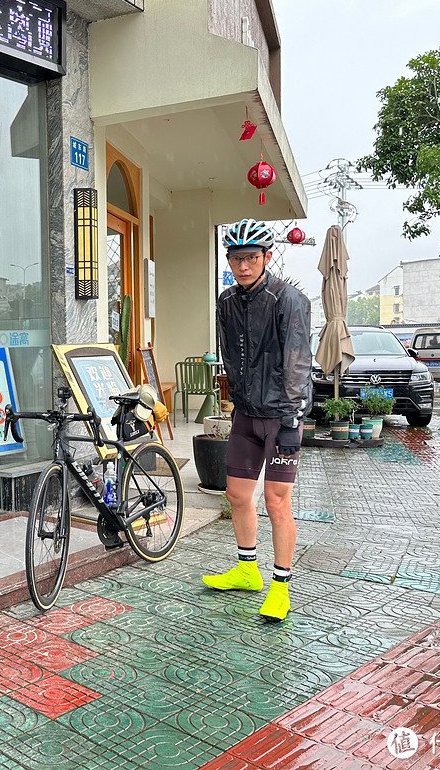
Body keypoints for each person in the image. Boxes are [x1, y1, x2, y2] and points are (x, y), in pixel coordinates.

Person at [202, 218, 311, 621]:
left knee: (277, 502)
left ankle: (280, 587)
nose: (242, 266)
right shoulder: (227, 301)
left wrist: (292, 419)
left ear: (267, 257)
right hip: (246, 416)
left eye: (250, 258)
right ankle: (248, 571)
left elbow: (298, 362)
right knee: (237, 496)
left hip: (282, 418)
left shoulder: (289, 299)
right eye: (235, 258)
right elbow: (231, 356)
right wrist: (234, 402)